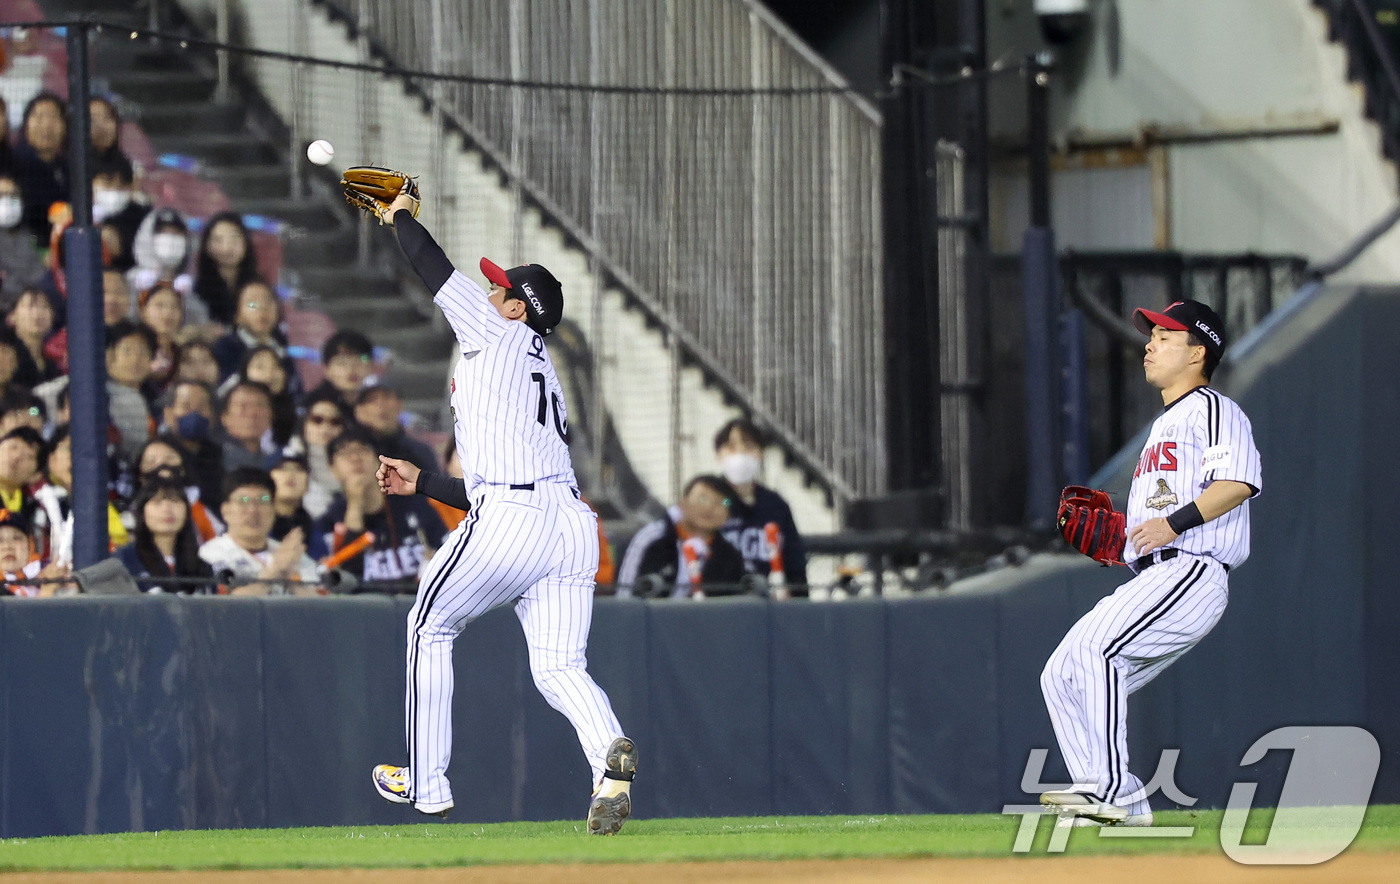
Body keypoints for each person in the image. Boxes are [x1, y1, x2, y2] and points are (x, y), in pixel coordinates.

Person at [367, 190, 636, 834]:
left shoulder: (498, 332)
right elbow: (494, 484)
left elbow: (433, 269)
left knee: (428, 627)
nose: (485, 294)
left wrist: (398, 213)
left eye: (497, 289)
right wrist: (426, 482)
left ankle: (426, 783)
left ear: (517, 308)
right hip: (569, 527)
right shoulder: (544, 374)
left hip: (514, 517)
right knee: (560, 666)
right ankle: (608, 760)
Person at [1039, 300, 1261, 828]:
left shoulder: (1213, 409)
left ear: (1197, 352)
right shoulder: (1167, 424)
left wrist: (1170, 526)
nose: (1149, 344)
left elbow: (1236, 483)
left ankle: (1116, 792)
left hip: (1193, 568)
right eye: (1152, 335)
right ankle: (1104, 801)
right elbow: (1158, 516)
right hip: (1160, 570)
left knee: (1098, 652)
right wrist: (1126, 541)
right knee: (1062, 673)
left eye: (1164, 336)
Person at [310, 427, 445, 587]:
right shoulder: (329, 523)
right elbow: (346, 577)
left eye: (362, 450)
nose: (355, 458)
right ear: (333, 470)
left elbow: (448, 549)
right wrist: (354, 507)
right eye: (345, 453)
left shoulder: (413, 504)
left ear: (377, 461)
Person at [712, 418, 808, 596]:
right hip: (719, 605)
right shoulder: (711, 500)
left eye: (749, 447)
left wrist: (794, 596)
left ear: (761, 454)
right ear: (719, 455)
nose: (741, 454)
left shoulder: (774, 504)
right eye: (732, 448)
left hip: (768, 605)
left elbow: (795, 563)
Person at [615, 474, 746, 597]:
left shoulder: (730, 556)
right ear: (683, 503)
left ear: (728, 516)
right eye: (703, 498)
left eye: (720, 503)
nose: (709, 508)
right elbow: (624, 593)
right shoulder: (652, 538)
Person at [198, 467, 319, 595]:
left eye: (263, 500)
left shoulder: (288, 554)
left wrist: (293, 577)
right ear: (225, 511)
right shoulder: (211, 554)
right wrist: (276, 569)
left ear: (273, 509)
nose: (253, 510)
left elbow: (320, 605)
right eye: (243, 501)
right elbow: (224, 608)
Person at [32, 424, 129, 567]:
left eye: (87, 452)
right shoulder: (35, 499)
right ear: (51, 458)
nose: (78, 459)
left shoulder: (108, 501)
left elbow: (121, 545)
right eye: (71, 449)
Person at [114, 474, 214, 593]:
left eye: (175, 501)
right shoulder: (124, 560)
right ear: (142, 512)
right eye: (157, 502)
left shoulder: (202, 567)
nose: (167, 509)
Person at [127, 207, 209, 327]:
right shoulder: (132, 280)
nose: (170, 239)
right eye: (163, 232)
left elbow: (200, 321)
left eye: (177, 234)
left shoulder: (189, 283)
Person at [157, 379, 223, 509]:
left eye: (202, 407)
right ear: (168, 414)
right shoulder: (158, 454)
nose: (194, 413)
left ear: (213, 416)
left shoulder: (218, 455)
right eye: (186, 406)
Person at [285, 389, 350, 519]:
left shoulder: (354, 462)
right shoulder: (285, 460)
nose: (325, 428)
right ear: (304, 424)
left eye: (335, 422)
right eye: (317, 420)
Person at [13, 93, 68, 242]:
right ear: (26, 124)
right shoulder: (14, 164)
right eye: (39, 118)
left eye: (54, 118)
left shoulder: (69, 168)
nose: (47, 126)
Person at [210, 279, 287, 380]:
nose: (262, 308)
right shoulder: (224, 348)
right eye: (252, 305)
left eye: (268, 301)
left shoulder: (281, 348)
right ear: (237, 315)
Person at [105, 320, 158, 466]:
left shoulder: (157, 401)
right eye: (127, 351)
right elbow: (35, 408)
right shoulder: (96, 395)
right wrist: (33, 412)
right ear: (109, 355)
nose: (135, 360)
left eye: (142, 353)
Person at [220, 344, 296, 446]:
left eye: (276, 366)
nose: (270, 373)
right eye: (260, 366)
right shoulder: (233, 409)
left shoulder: (294, 414)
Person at [192, 211, 258, 326]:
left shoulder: (258, 287)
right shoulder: (198, 291)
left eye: (234, 239)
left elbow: (256, 308)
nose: (227, 247)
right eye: (218, 240)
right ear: (207, 246)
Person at [353, 384, 436, 467]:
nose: (380, 405)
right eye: (371, 400)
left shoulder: (420, 452)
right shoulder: (351, 454)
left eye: (386, 397)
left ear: (400, 404)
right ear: (359, 411)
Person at [93, 153, 150, 272]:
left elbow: (115, 246)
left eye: (122, 186)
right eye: (108, 183)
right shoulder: (76, 212)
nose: (115, 190)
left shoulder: (141, 215)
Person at [0, 170, 46, 302]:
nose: (7, 201)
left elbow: (38, 278)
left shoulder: (29, 238)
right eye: (1, 195)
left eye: (13, 195)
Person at [219, 379, 277, 471]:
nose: (252, 413)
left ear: (271, 416)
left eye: (260, 405)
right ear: (225, 417)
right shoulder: (212, 460)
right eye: (243, 406)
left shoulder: (279, 460)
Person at [5, 287, 58, 384]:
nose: (37, 313)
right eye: (30, 306)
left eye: (44, 306)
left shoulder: (52, 364)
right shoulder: (6, 358)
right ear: (12, 316)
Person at [138, 283, 185, 392]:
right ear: (143, 311)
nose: (167, 313)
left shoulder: (179, 351)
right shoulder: (135, 344)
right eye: (159, 305)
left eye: (174, 307)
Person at [314, 329, 375, 408]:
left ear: (370, 367)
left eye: (359, 361)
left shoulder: (375, 403)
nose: (351, 369)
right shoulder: (316, 408)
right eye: (342, 363)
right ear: (326, 369)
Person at [268, 452, 314, 543]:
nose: (291, 474)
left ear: (307, 486)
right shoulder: (248, 522)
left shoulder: (315, 532)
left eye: (299, 469)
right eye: (282, 468)